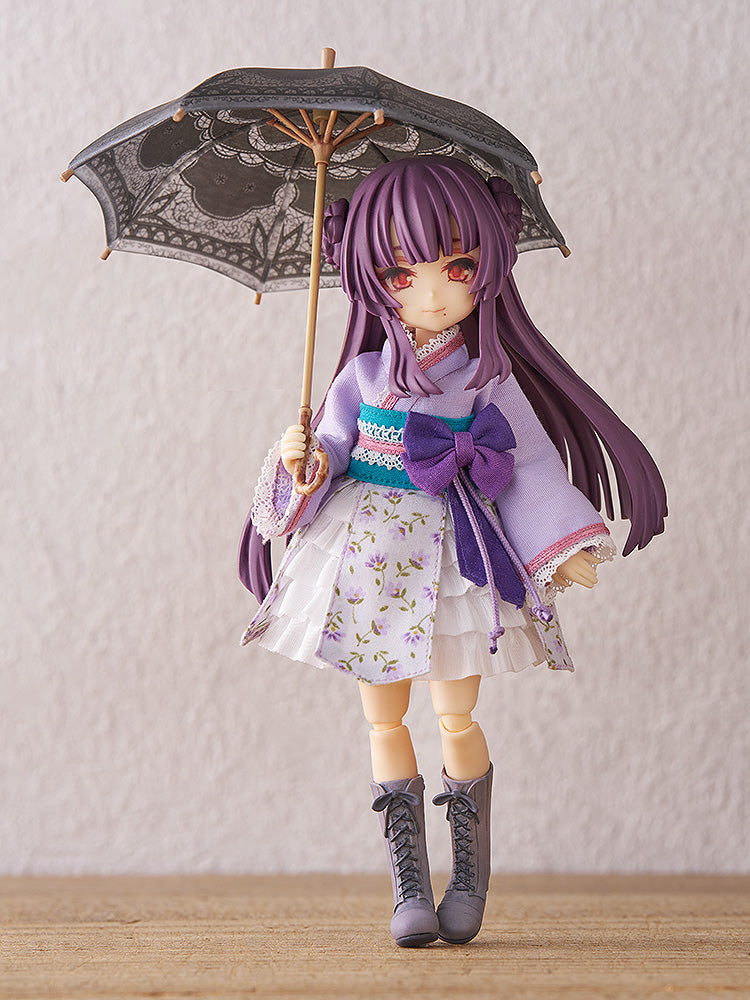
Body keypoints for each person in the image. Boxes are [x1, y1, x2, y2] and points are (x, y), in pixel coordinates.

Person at [237, 156, 666, 947]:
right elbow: (331, 451)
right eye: (402, 275)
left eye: (456, 268)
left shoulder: (487, 382)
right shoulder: (362, 376)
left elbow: (527, 463)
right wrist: (305, 461)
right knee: (383, 714)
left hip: (456, 548)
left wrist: (562, 546)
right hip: (370, 552)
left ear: (488, 266)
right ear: (368, 278)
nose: (432, 294)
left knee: (455, 711)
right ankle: (409, 883)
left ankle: (468, 875)